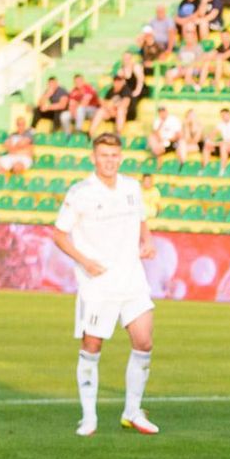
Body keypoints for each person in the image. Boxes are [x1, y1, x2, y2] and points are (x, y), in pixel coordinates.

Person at [50, 133, 159, 437]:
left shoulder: (131, 187)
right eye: (103, 155)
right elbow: (59, 234)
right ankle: (88, 417)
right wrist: (84, 261)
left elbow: (141, 219)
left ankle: (133, 411)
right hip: (98, 285)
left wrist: (147, 241)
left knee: (144, 342)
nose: (109, 161)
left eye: (114, 155)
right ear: (93, 158)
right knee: (92, 346)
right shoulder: (81, 192)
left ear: (120, 157)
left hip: (133, 279)